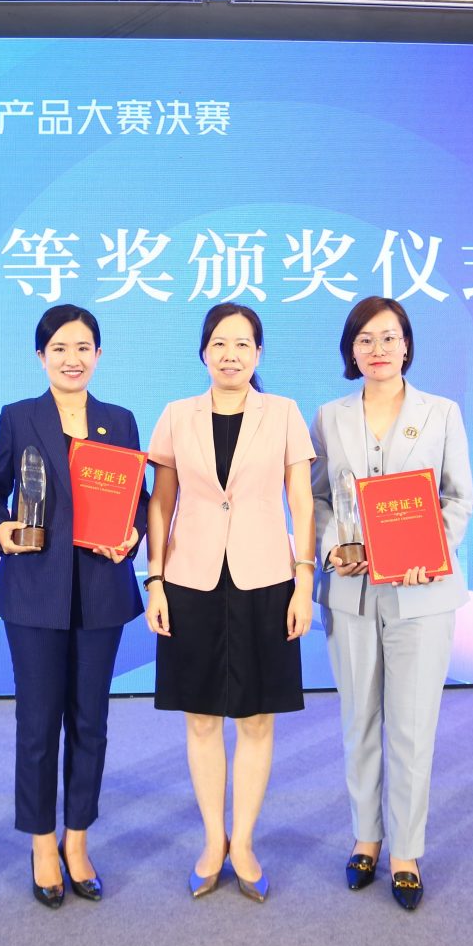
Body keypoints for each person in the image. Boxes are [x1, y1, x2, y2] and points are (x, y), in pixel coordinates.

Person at [144, 302, 316, 903]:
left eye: (243, 344)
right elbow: (160, 502)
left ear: (259, 353)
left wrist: (303, 581)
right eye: (219, 343)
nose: (231, 355)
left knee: (257, 717)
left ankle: (243, 842)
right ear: (203, 352)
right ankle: (212, 840)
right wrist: (155, 579)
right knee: (199, 717)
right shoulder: (177, 415)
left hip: (265, 578)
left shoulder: (284, 413)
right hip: (190, 580)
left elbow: (302, 501)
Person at [0, 305, 146, 909]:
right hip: (33, 591)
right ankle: (42, 843)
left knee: (90, 721)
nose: (72, 359)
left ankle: (78, 839)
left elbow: (139, 497)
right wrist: (1, 528)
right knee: (37, 722)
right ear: (41, 356)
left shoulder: (119, 420)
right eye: (59, 349)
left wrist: (133, 533)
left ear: (98, 355)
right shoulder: (18, 417)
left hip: (101, 590)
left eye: (83, 348)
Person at [309, 295, 473, 912]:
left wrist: (429, 549)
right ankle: (366, 839)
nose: (378, 349)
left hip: (420, 590)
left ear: (407, 345)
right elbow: (315, 497)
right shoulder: (329, 417)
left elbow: (459, 498)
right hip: (352, 592)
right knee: (359, 720)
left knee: (411, 724)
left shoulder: (441, 413)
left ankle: (405, 851)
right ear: (350, 351)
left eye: (389, 337)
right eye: (365, 339)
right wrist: (335, 546)